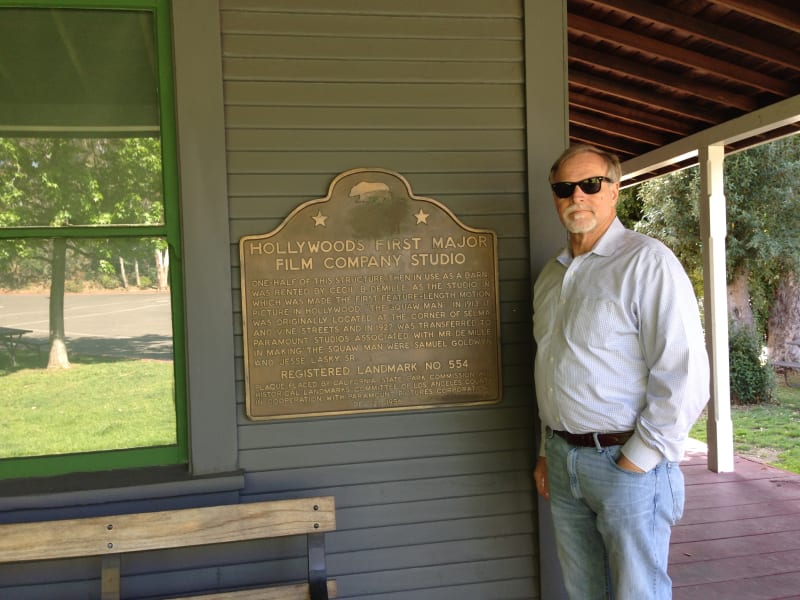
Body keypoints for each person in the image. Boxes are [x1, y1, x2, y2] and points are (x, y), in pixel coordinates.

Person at [533, 144, 709, 599]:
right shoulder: (552, 276)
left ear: (615, 190)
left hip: (625, 463)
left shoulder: (647, 262)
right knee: (585, 592)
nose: (577, 196)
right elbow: (554, 368)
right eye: (564, 187)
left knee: (637, 593)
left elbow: (684, 374)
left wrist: (636, 461)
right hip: (563, 458)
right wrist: (546, 449)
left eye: (590, 184)